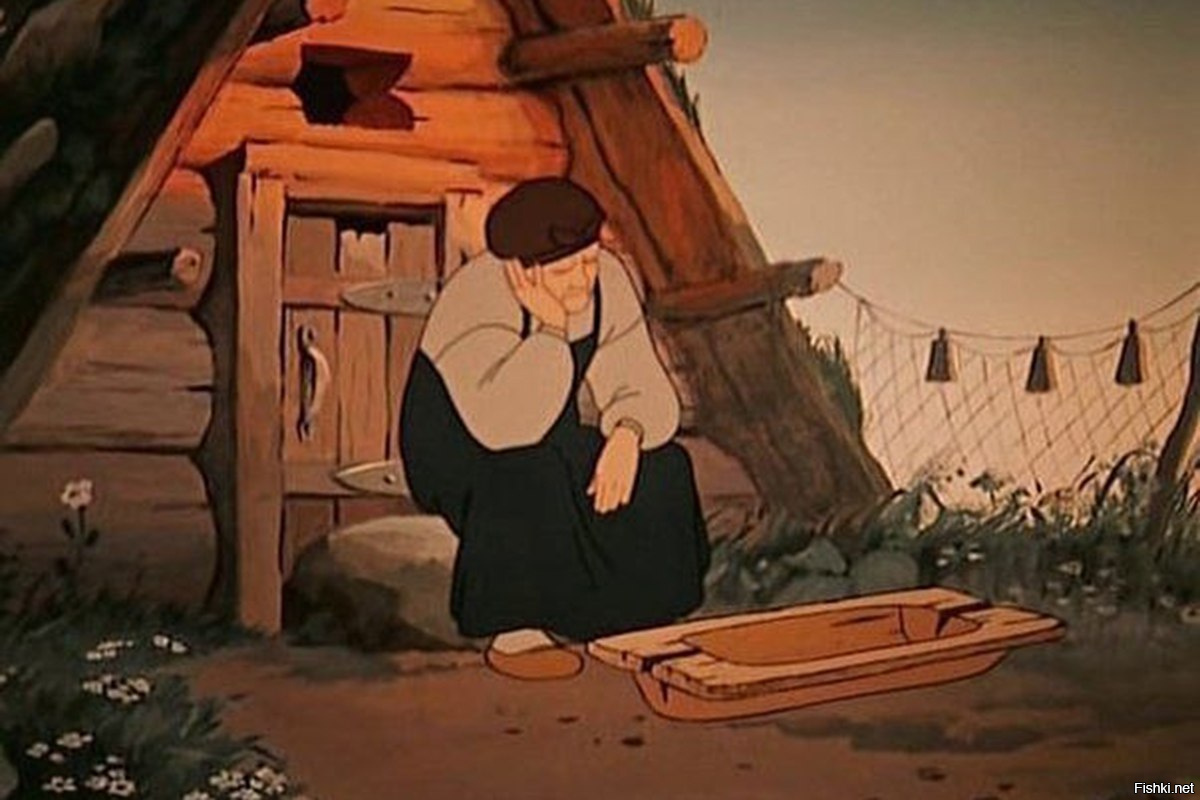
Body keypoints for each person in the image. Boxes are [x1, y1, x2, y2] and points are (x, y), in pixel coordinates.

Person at [400, 177, 710, 680]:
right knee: (528, 469)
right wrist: (549, 328)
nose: (583, 280)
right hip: (468, 446)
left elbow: (637, 380)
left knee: (663, 466)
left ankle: (641, 615)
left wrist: (628, 434)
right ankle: (516, 631)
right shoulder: (477, 297)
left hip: (547, 427)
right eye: (565, 271)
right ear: (523, 269)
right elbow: (505, 427)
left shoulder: (606, 281)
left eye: (588, 262)